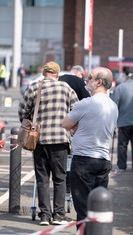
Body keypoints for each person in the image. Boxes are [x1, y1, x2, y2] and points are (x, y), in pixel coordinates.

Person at [18, 61, 78, 226]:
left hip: (40, 139)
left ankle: (44, 215)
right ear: (57, 74)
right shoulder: (66, 88)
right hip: (60, 139)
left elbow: (23, 111)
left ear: (44, 73)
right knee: (60, 178)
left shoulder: (33, 87)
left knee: (42, 178)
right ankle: (58, 215)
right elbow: (76, 110)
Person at [62, 66, 118, 225]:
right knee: (98, 206)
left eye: (90, 77)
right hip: (103, 160)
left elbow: (65, 123)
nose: (86, 79)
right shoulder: (113, 106)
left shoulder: (86, 103)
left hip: (83, 160)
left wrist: (77, 126)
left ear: (99, 82)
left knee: (82, 207)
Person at [59, 65, 90, 194]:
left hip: (57, 123)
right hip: (74, 123)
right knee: (73, 155)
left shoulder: (59, 79)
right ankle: (69, 184)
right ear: (80, 74)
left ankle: (63, 184)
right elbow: (87, 101)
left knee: (61, 157)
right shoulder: (79, 82)